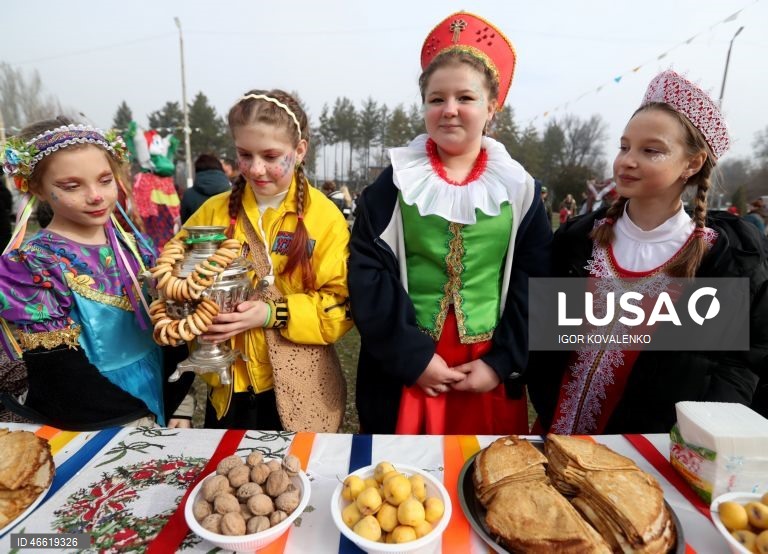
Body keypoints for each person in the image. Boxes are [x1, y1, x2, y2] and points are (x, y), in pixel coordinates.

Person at [528, 70, 768, 434]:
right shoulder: (579, 241)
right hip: (556, 435)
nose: (627, 160)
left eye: (650, 151)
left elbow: (737, 364)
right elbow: (545, 335)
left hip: (649, 452)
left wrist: (694, 436)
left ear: (692, 163)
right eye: (624, 146)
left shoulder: (723, 262)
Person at [349, 11, 552, 435]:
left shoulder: (521, 189)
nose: (450, 110)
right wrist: (413, 359)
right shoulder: (392, 186)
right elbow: (368, 277)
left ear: (492, 107)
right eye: (437, 99)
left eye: (466, 97)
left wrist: (501, 364)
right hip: (411, 363)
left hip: (486, 366)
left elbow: (535, 283)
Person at [0, 117, 192, 430]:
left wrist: (182, 401)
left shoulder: (135, 248)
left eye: (105, 180)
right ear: (35, 186)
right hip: (92, 410)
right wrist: (135, 419)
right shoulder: (33, 265)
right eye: (72, 186)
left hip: (154, 386)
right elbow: (58, 371)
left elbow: (167, 330)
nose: (96, 195)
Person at [183, 90, 352, 430]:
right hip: (230, 389)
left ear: (299, 150)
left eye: (271, 155)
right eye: (245, 154)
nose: (256, 168)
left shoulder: (324, 217)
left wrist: (272, 313)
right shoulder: (211, 213)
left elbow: (341, 307)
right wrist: (194, 312)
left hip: (301, 389)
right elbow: (177, 285)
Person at [180, 153, 231, 223]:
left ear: (197, 170)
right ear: (220, 168)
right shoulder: (232, 192)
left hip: (197, 233)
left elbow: (185, 224)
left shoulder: (188, 195)